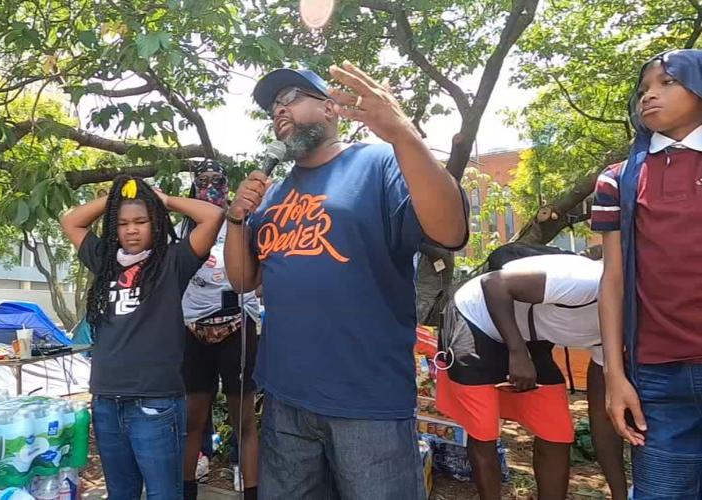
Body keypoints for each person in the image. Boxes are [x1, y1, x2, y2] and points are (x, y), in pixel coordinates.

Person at [224, 63, 468, 499]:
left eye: (292, 97)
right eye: (273, 107)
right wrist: (238, 217)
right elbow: (243, 280)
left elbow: (450, 231)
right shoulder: (274, 193)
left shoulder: (379, 162)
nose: (280, 111)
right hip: (286, 401)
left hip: (368, 404)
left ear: (332, 108)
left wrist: (403, 134)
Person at [60, 176, 223, 500]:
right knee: (121, 493)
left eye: (140, 221)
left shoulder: (173, 260)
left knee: (163, 494)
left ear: (156, 222)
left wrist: (162, 199)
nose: (131, 229)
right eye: (122, 223)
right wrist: (116, 198)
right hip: (106, 400)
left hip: (155, 401)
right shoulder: (104, 261)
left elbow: (212, 216)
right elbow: (71, 221)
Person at [592, 49, 702, 499]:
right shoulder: (618, 179)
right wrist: (615, 377)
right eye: (643, 91)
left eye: (665, 83)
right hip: (655, 376)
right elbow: (612, 281)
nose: (649, 97)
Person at [435, 252, 627, 500]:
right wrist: (517, 352)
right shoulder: (587, 281)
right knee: (484, 430)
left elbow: (603, 417)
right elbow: (494, 283)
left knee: (557, 432)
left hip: (527, 335)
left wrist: (620, 494)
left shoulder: (619, 333)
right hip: (476, 318)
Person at [177, 160, 261, 500]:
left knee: (244, 419)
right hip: (194, 327)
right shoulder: (183, 227)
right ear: (194, 185)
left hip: (238, 324)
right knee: (193, 417)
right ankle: (186, 491)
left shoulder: (244, 221)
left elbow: (262, 265)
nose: (210, 186)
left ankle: (252, 491)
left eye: (217, 180)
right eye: (203, 180)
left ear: (228, 185)